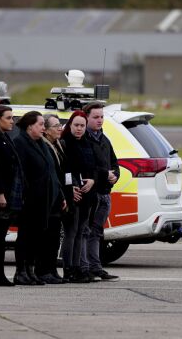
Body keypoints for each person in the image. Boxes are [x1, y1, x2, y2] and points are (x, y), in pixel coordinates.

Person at [13, 111, 66, 285]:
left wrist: (58, 194)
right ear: (30, 126)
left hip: (45, 199)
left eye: (44, 124)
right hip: (30, 200)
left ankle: (30, 270)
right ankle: (21, 271)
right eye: (41, 124)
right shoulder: (21, 143)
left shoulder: (40, 143)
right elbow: (20, 173)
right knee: (26, 237)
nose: (44, 128)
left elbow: (51, 172)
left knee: (35, 237)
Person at [81, 102, 121, 282]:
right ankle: (86, 267)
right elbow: (87, 168)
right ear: (86, 117)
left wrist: (115, 176)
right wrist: (105, 174)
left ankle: (96, 267)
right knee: (86, 231)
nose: (100, 120)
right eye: (95, 117)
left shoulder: (104, 139)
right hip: (91, 193)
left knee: (97, 232)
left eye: (102, 117)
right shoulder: (84, 140)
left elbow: (114, 163)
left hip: (105, 192)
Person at [0, 105, 24, 287]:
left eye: (12, 117)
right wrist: (0, 194)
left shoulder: (5, 137)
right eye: (8, 118)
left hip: (8, 193)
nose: (12, 121)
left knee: (0, 235)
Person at [60, 110, 97, 283]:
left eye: (82, 125)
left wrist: (93, 181)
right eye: (76, 125)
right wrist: (71, 187)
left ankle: (77, 267)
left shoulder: (87, 143)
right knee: (71, 232)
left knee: (81, 231)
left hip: (87, 194)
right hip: (73, 193)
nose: (79, 129)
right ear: (70, 125)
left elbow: (95, 166)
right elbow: (64, 169)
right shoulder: (65, 143)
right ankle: (69, 269)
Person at [37, 113, 73, 284]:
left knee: (54, 237)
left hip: (60, 196)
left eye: (60, 125)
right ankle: (43, 270)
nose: (60, 128)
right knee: (47, 236)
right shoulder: (44, 147)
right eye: (56, 126)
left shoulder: (59, 145)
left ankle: (51, 270)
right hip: (51, 197)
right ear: (45, 130)